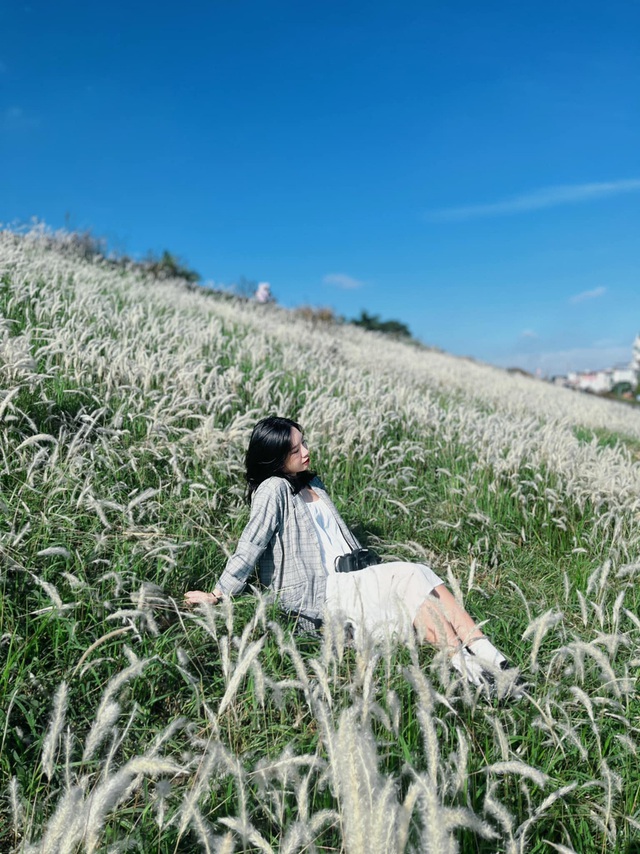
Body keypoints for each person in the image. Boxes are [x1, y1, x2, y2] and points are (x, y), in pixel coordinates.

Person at [185, 416, 519, 689]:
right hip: (319, 591)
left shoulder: (314, 485)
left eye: (304, 442)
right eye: (295, 449)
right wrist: (218, 593)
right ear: (274, 457)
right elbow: (250, 544)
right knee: (412, 573)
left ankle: (487, 660)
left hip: (352, 577)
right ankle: (470, 666)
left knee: (423, 590)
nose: (306, 451)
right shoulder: (273, 489)